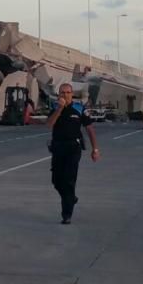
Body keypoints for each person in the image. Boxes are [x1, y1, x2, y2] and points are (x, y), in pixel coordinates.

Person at [47, 83, 100, 224]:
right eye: (62, 93)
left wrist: (95, 149)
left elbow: (90, 129)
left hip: (73, 148)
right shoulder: (54, 107)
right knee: (56, 181)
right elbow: (49, 125)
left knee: (69, 180)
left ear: (72, 93)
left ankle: (67, 215)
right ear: (59, 94)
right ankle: (70, 198)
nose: (65, 95)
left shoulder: (79, 108)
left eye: (68, 92)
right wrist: (59, 108)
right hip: (58, 147)